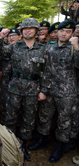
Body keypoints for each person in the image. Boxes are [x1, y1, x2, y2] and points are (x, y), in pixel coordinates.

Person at [27, 20, 79, 163]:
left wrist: (77, 46)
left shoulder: (74, 48)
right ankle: (43, 140)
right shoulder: (50, 48)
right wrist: (43, 89)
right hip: (49, 90)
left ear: (72, 33)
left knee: (64, 121)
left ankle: (61, 146)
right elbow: (45, 71)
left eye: (68, 31)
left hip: (67, 92)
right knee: (45, 116)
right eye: (61, 31)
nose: (63, 33)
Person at [3, 18, 49, 161]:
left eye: (31, 28)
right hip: (15, 88)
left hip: (33, 89)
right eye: (25, 29)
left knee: (28, 120)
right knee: (10, 118)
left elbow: (47, 71)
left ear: (36, 31)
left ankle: (23, 144)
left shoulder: (43, 49)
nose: (28, 30)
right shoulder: (14, 46)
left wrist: (44, 90)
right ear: (21, 32)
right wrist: (1, 38)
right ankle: (8, 145)